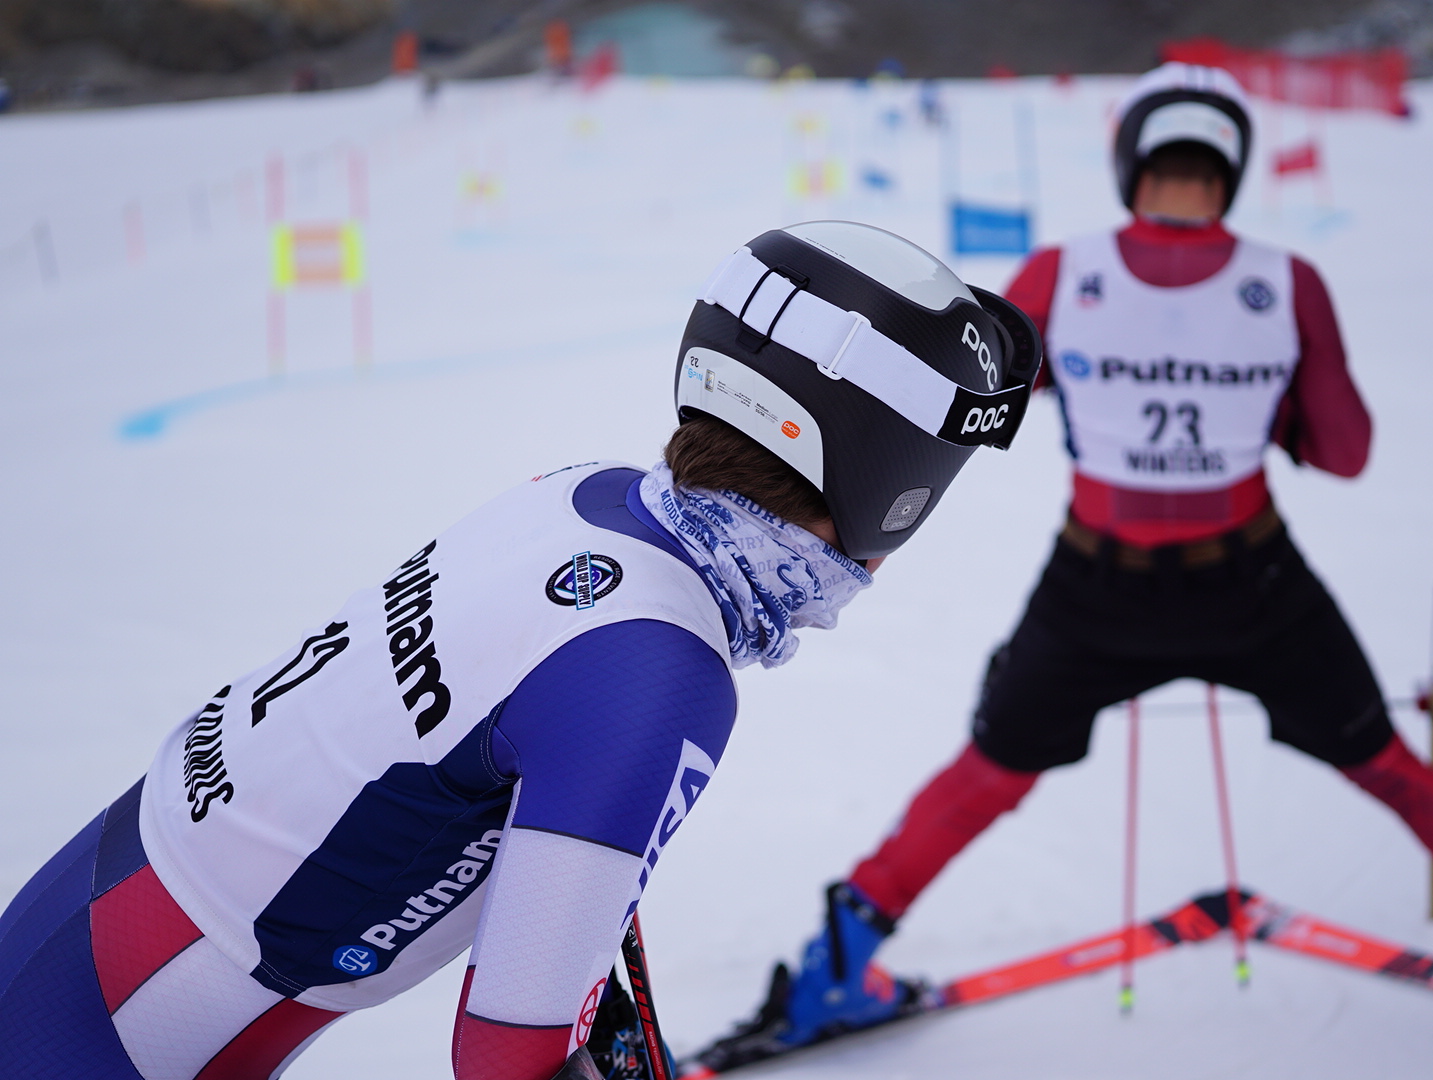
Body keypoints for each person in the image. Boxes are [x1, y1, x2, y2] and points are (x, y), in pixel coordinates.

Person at [700, 64, 1433, 1069]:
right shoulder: (1284, 281)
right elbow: (1345, 451)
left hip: (1100, 586)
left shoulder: (1062, 270)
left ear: (1129, 159)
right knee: (1385, 764)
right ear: (1230, 166)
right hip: (1253, 580)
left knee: (986, 776)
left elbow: (966, 398)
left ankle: (838, 967)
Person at [0, 220, 1042, 1080]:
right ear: (885, 482)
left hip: (102, 915)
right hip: (142, 1027)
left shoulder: (590, 499)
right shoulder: (660, 671)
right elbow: (511, 1056)